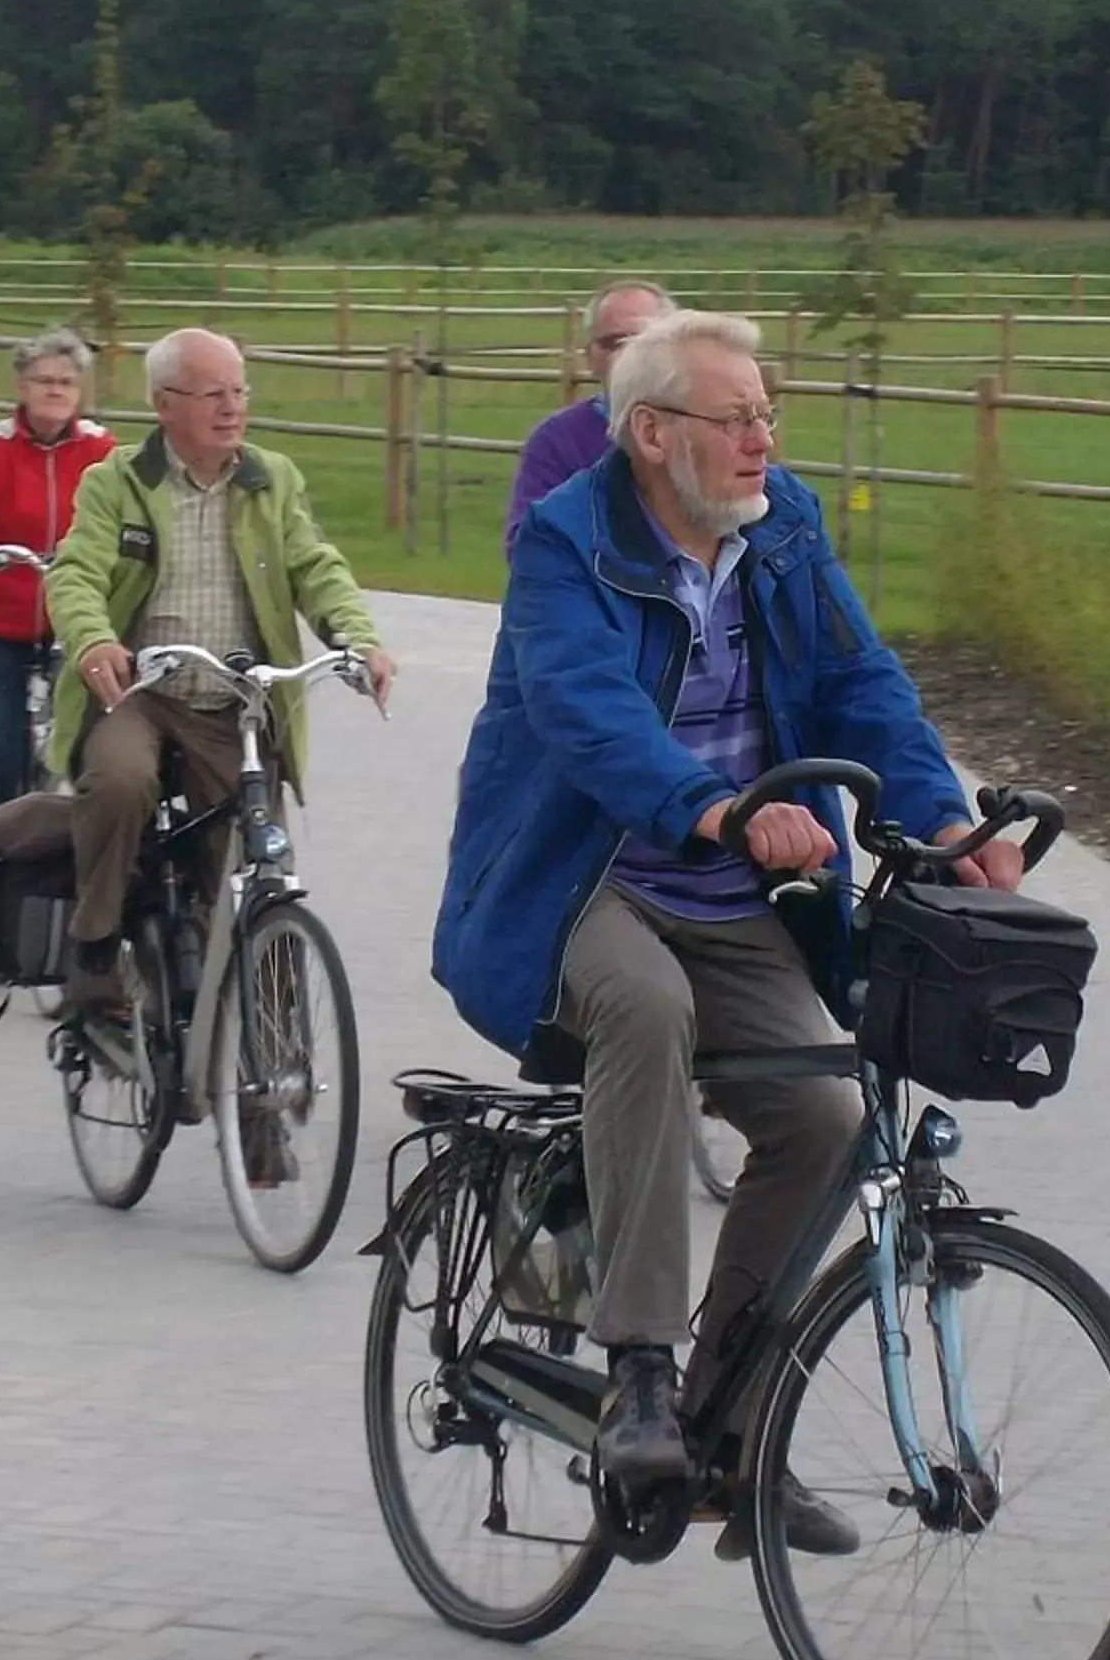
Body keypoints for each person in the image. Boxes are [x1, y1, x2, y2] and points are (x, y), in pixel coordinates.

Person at [431, 308, 1025, 1558]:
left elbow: (865, 684)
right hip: (581, 883)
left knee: (826, 1122)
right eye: (737, 416)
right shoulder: (565, 541)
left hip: (734, 895)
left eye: (768, 412)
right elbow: (588, 713)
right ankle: (641, 1369)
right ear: (652, 434)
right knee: (646, 1010)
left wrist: (950, 825)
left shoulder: (780, 529)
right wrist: (711, 809)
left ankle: (727, 1432)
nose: (763, 436)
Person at [43, 327, 397, 1019]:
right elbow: (76, 573)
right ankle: (93, 945)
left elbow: (314, 567)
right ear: (164, 403)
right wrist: (92, 642)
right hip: (141, 692)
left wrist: (358, 638)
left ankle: (274, 1039)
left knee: (257, 856)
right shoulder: (114, 481)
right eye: (213, 394)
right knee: (120, 779)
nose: (232, 408)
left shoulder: (271, 478)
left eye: (239, 391)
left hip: (236, 702)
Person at [0, 329, 116, 865]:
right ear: (21, 385)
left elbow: (123, 511)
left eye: (67, 381)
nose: (56, 390)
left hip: (73, 628)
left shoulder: (100, 448)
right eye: (43, 380)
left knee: (100, 757)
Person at [501, 278, 671, 549]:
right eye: (612, 343)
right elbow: (526, 546)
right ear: (589, 358)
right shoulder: (556, 441)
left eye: (642, 340)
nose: (627, 353)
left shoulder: (712, 427)